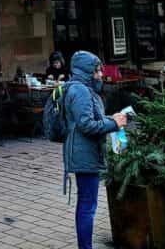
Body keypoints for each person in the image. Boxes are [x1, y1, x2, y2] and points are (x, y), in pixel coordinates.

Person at [63, 50, 128, 249]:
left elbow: (90, 119)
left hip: (83, 152)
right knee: (88, 206)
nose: (100, 75)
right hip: (84, 154)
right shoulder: (81, 91)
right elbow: (87, 125)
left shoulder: (79, 88)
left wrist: (111, 119)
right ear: (86, 71)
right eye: (97, 71)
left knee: (85, 203)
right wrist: (113, 125)